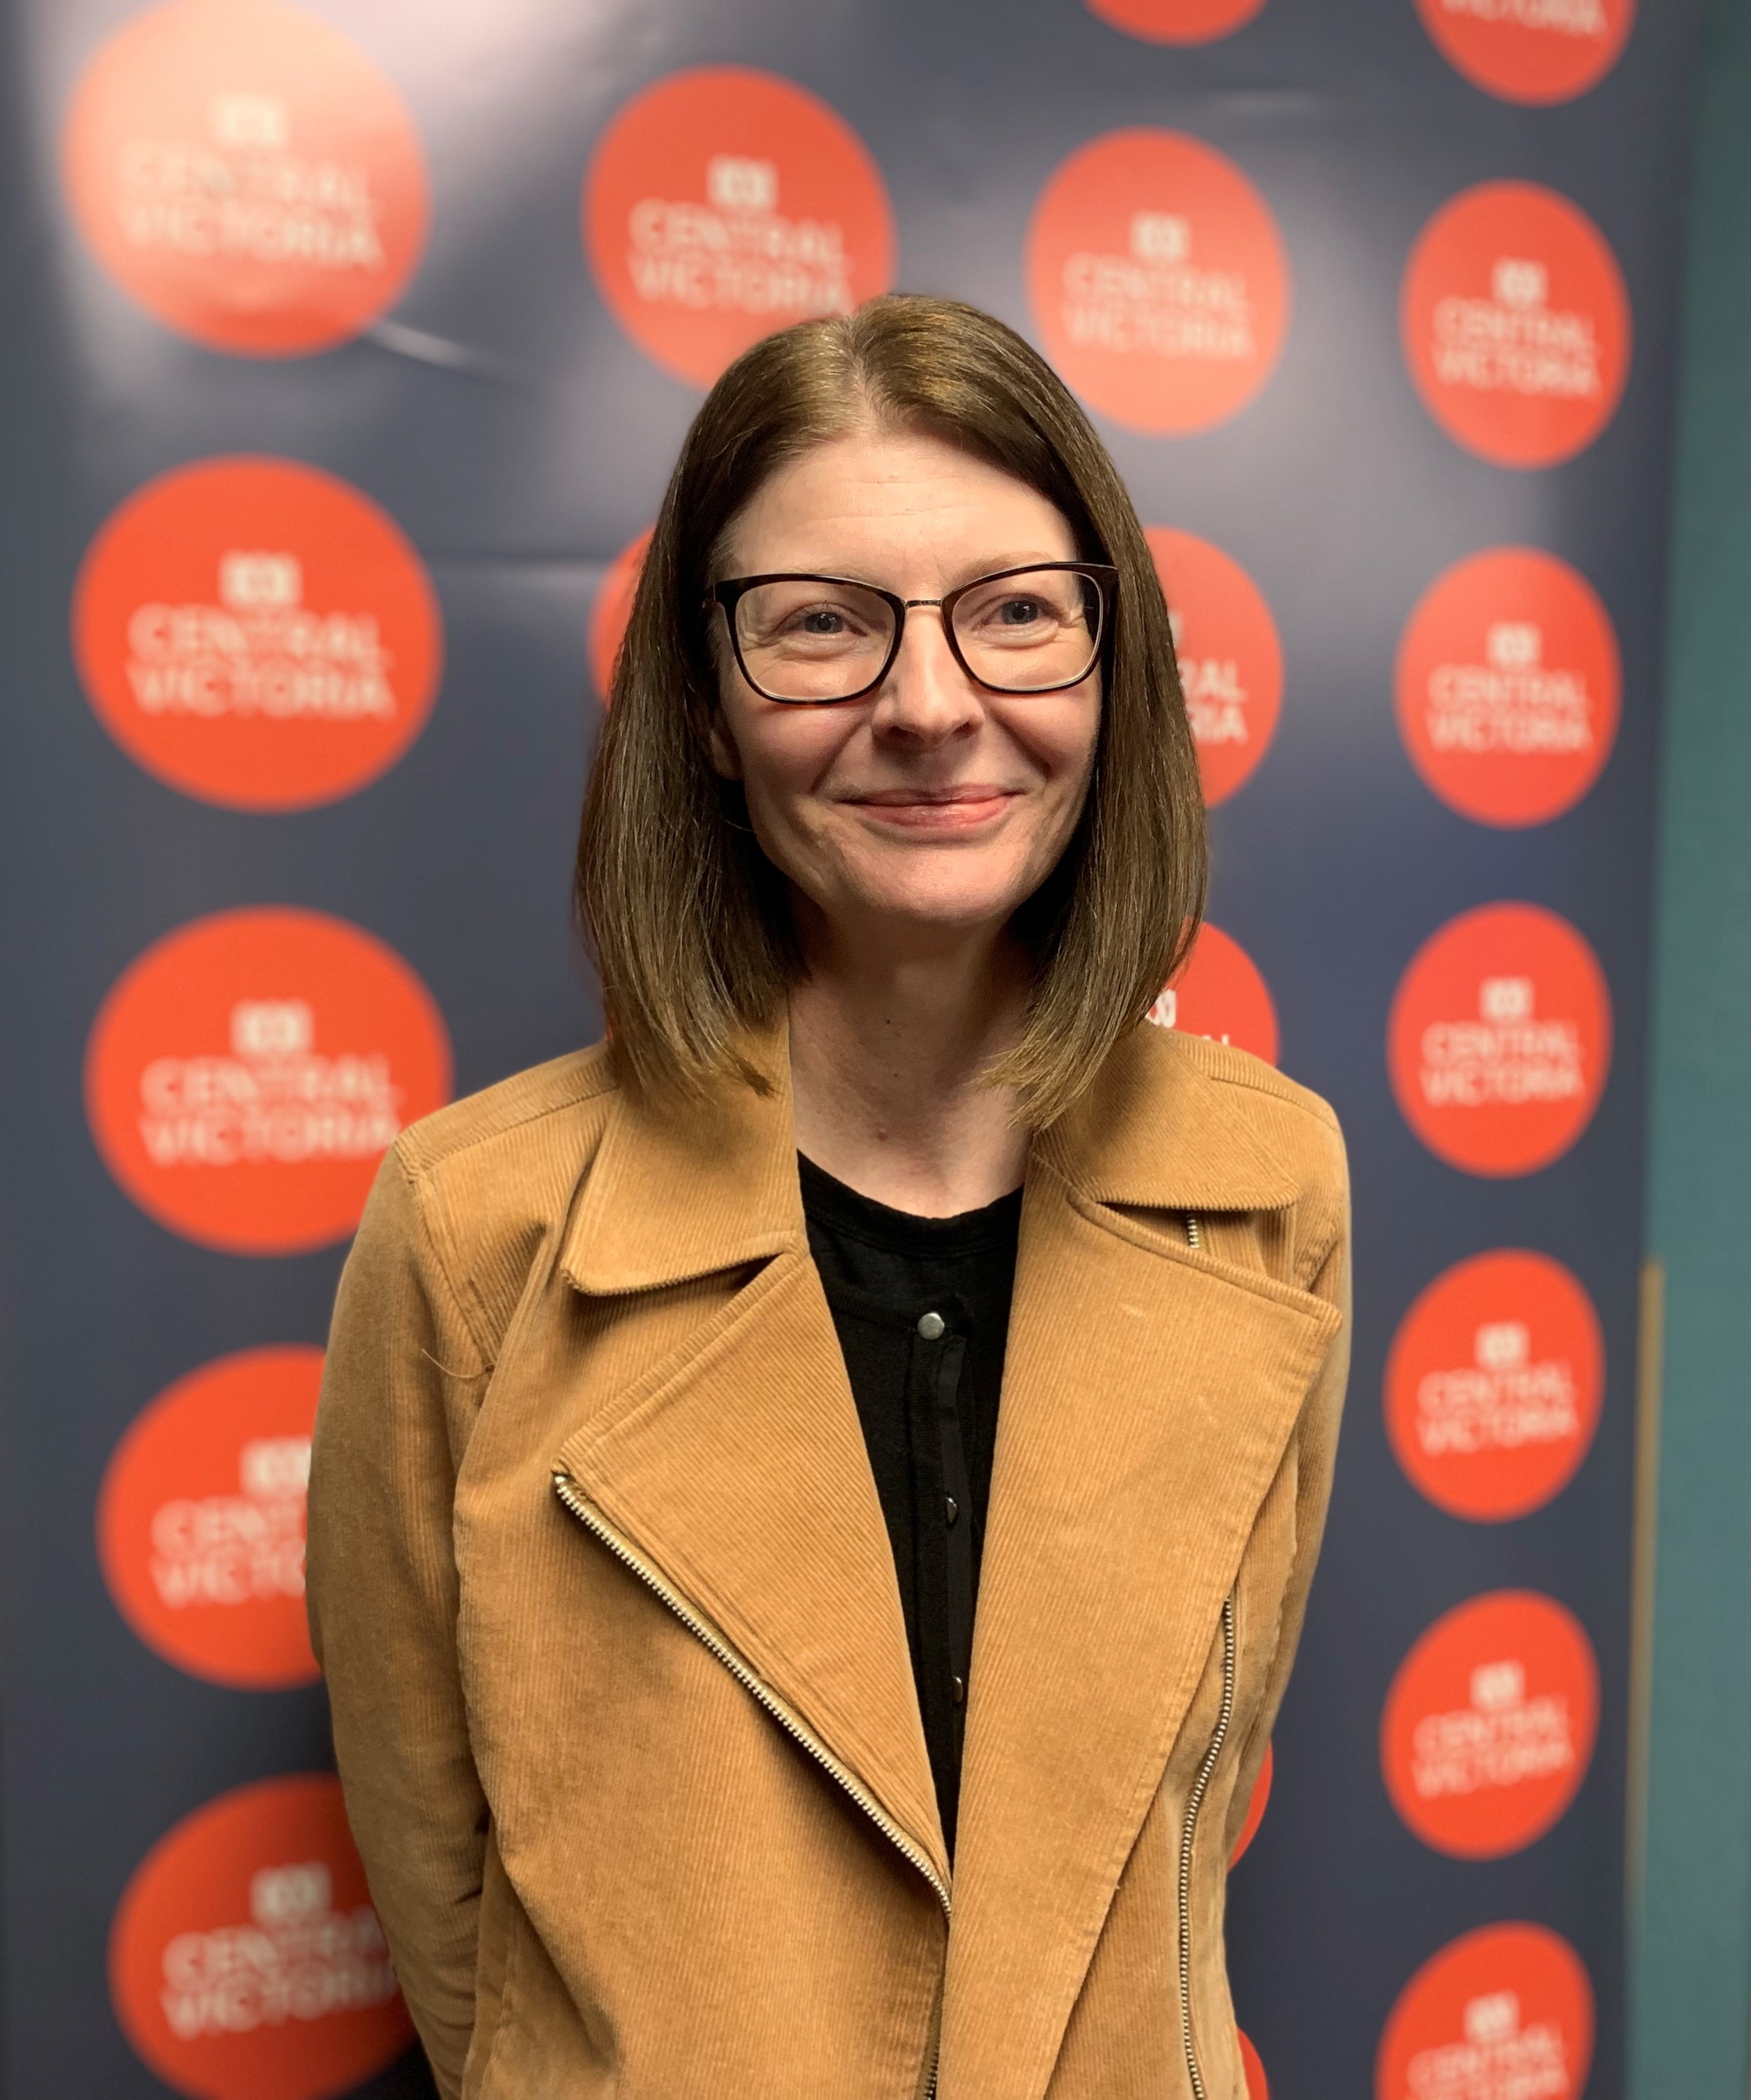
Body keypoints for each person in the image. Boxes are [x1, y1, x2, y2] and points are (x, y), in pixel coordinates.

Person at [306, 293, 1350, 2100]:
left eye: (1018, 614)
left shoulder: (1274, 1187)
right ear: (707, 713)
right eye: (821, 628)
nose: (931, 706)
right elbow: (453, 1915)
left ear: (1115, 674)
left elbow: (1182, 1833)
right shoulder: (473, 1233)